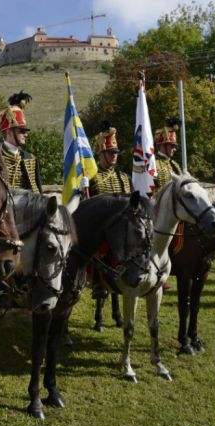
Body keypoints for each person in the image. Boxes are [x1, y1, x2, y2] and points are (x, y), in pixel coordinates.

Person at [87, 122, 131, 331]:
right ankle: (97, 289)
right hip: (100, 228)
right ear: (101, 153)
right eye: (110, 152)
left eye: (115, 152)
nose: (114, 155)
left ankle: (117, 310)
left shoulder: (124, 177)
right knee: (100, 253)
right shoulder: (93, 177)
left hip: (121, 229)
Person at [0, 91, 42, 193]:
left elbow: (37, 191)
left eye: (25, 131)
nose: (25, 134)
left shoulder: (30, 158)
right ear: (8, 132)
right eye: (22, 131)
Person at [154, 117, 183, 189]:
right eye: (172, 145)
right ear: (162, 145)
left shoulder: (175, 165)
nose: (175, 149)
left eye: (175, 146)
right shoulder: (152, 164)